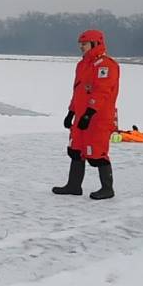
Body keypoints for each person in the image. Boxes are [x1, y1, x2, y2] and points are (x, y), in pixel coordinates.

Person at [53, 29, 120, 200]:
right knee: (76, 149)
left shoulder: (106, 65)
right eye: (80, 44)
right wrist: (71, 112)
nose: (81, 47)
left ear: (96, 44)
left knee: (97, 152)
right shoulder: (82, 65)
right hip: (81, 116)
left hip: (98, 118)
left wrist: (89, 113)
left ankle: (107, 188)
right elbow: (78, 92)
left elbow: (102, 92)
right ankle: (74, 185)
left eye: (84, 44)